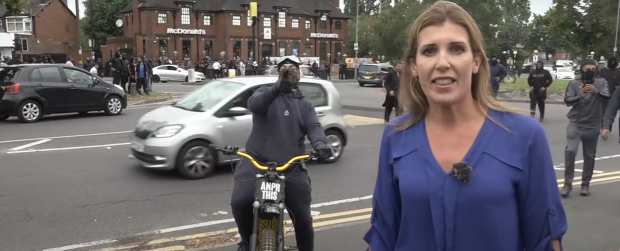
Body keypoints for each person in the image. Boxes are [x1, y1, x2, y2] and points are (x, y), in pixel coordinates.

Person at [363, 2, 567, 251]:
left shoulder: (525, 136)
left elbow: (545, 240)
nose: (442, 62)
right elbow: (383, 235)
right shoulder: (396, 136)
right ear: (414, 66)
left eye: (457, 49)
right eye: (429, 51)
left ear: (476, 62)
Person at [230, 55, 333, 251]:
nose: (288, 72)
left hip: (290, 167)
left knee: (302, 217)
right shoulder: (265, 94)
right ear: (278, 75)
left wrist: (320, 145)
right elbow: (254, 104)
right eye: (284, 70)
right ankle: (245, 240)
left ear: (299, 76)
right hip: (256, 162)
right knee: (239, 202)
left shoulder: (305, 105)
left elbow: (314, 127)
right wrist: (277, 88)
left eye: (292, 69)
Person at [560, 59, 610, 197]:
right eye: (587, 69)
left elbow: (606, 98)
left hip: (593, 124)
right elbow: (567, 101)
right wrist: (579, 96)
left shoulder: (602, 83)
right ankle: (567, 185)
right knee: (570, 151)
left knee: (589, 155)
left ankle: (585, 184)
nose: (590, 71)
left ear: (596, 70)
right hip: (576, 122)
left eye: (593, 69)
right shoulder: (574, 83)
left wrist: (595, 92)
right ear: (581, 70)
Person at [598, 56, 620, 134]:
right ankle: (605, 126)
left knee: (611, 111)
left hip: (615, 94)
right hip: (604, 95)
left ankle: (607, 126)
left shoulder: (618, 71)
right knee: (605, 111)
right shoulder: (602, 71)